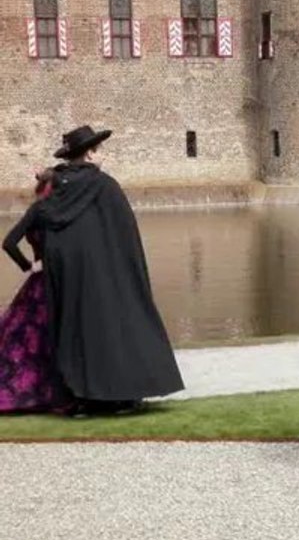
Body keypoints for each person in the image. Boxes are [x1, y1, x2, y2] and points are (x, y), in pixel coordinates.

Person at [20, 126, 184, 416]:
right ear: (91, 153)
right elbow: (125, 236)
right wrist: (130, 276)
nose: (102, 154)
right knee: (117, 326)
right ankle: (122, 396)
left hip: (71, 278)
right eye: (99, 149)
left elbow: (48, 232)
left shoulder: (57, 190)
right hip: (109, 276)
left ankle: (83, 398)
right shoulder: (105, 186)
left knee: (77, 332)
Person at [0, 169, 74, 413]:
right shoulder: (59, 212)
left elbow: (10, 243)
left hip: (37, 282)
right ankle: (57, 394)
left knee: (26, 340)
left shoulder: (36, 211)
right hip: (57, 282)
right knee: (51, 337)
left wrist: (29, 266)